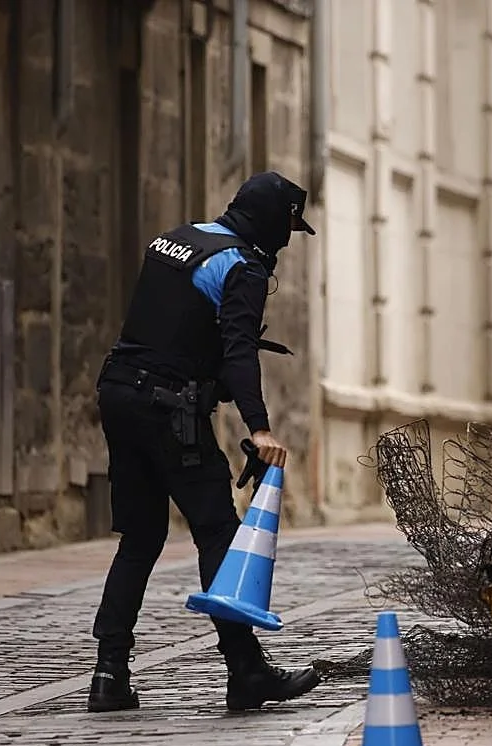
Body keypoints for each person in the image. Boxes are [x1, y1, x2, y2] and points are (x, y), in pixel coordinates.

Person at [87, 171, 320, 714]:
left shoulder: (180, 236)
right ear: (271, 221)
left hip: (118, 393)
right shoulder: (243, 267)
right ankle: (245, 672)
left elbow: (172, 326)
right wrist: (257, 427)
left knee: (141, 538)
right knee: (218, 532)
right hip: (170, 408)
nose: (287, 240)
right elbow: (238, 352)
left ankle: (108, 673)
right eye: (288, 227)